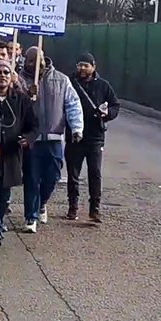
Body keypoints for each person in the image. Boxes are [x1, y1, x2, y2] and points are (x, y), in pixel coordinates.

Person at [20, 46, 83, 233]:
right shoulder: (19, 80)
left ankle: (42, 203)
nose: (34, 64)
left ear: (44, 59)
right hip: (31, 139)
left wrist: (77, 128)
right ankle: (31, 216)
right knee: (31, 178)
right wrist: (26, 93)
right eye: (29, 60)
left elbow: (72, 104)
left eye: (37, 60)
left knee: (53, 177)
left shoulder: (61, 80)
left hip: (54, 137)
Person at [0, 60, 38, 250]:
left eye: (6, 72)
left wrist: (28, 139)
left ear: (12, 76)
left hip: (12, 157)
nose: (2, 75)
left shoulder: (21, 100)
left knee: (4, 198)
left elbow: (34, 126)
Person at [68, 53, 120, 223]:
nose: (82, 68)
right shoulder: (70, 82)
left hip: (95, 136)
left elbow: (115, 105)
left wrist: (107, 113)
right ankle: (72, 207)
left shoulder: (103, 85)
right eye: (79, 65)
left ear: (93, 67)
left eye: (86, 65)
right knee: (73, 173)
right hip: (74, 135)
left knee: (95, 173)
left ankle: (95, 209)